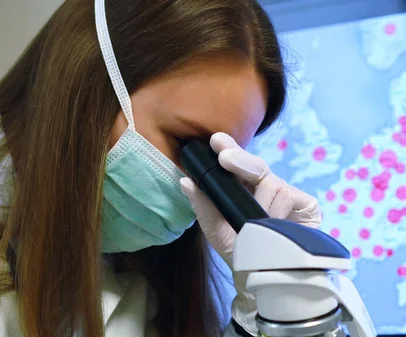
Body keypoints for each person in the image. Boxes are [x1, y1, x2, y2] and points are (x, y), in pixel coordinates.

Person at [0, 0, 322, 336]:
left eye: (224, 162)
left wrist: (275, 309)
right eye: (188, 143)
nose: (202, 182)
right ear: (87, 87)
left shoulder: (146, 278)